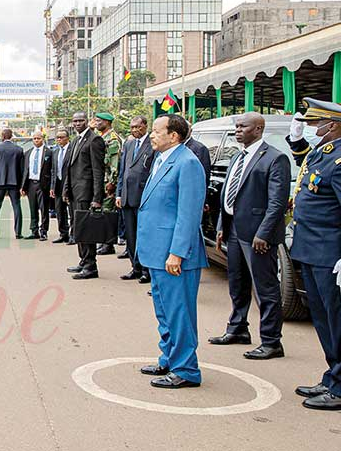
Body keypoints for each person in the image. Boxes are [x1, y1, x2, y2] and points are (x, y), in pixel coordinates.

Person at [207, 113, 291, 361]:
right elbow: (228, 196)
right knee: (237, 283)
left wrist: (263, 233)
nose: (238, 130)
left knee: (266, 289)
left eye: (243, 126)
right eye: (237, 126)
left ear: (259, 128)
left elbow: (277, 203)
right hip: (234, 230)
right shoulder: (237, 157)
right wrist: (222, 225)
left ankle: (271, 341)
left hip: (257, 236)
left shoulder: (276, 158)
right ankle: (238, 328)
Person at [137, 114, 208, 389]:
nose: (152, 135)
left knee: (180, 313)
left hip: (174, 255)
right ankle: (168, 357)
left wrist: (177, 252)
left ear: (174, 136)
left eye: (156, 131)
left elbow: (188, 214)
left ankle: (186, 369)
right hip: (156, 251)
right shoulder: (162, 159)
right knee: (164, 310)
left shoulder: (187, 163)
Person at [285, 98, 341, 410]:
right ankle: (333, 375)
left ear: (331, 126)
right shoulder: (323, 153)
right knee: (321, 318)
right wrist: (296, 140)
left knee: (337, 319)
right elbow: (303, 163)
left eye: (316, 125)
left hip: (330, 253)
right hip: (310, 248)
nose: (312, 130)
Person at [64, 112, 106, 280]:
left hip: (86, 192)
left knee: (86, 230)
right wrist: (66, 189)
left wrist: (97, 198)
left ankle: (90, 266)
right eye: (74, 121)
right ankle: (83, 260)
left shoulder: (94, 140)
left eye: (81, 120)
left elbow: (98, 171)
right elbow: (70, 168)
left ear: (87, 121)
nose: (77, 123)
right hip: (74, 192)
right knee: (78, 228)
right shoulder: (75, 140)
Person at [116, 116, 155, 284]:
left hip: (142, 198)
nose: (134, 130)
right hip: (126, 197)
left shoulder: (153, 145)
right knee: (131, 235)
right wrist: (119, 193)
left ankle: (147, 270)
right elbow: (122, 171)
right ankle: (135, 267)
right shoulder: (129, 144)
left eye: (137, 127)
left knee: (144, 236)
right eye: (132, 127)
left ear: (145, 126)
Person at [0, 129, 25, 239]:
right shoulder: (19, 150)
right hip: (14, 182)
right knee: (17, 206)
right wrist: (22, 185)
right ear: (12, 136)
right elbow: (22, 170)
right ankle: (18, 233)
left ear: (2, 136)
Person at [95, 113, 122, 256]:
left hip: (108, 182)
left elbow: (115, 163)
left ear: (107, 122)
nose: (97, 123)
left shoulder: (112, 139)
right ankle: (104, 241)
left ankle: (109, 243)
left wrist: (112, 182)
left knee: (108, 213)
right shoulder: (101, 137)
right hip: (102, 180)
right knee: (103, 213)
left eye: (99, 121)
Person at [22, 132, 53, 241]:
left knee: (44, 209)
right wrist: (23, 187)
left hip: (43, 184)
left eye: (38, 138)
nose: (36, 140)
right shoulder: (28, 153)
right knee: (32, 208)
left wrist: (51, 186)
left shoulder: (49, 152)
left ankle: (43, 231)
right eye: (34, 138)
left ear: (43, 139)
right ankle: (34, 231)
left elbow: (52, 170)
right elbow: (25, 170)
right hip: (31, 184)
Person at [50, 129, 73, 244]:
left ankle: (73, 235)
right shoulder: (55, 151)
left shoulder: (72, 149)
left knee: (71, 211)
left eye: (61, 137)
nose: (59, 139)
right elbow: (53, 170)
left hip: (69, 184)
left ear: (67, 138)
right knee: (59, 210)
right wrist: (52, 187)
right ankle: (63, 234)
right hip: (58, 184)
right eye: (57, 137)